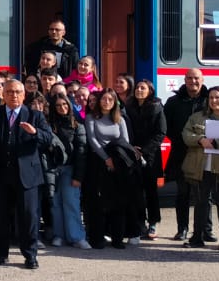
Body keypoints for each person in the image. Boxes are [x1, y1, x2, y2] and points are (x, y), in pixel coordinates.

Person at [0, 78, 55, 269]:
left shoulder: (34, 115)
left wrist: (35, 132)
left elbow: (48, 139)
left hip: (27, 175)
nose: (14, 95)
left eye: (18, 92)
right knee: (0, 216)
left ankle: (30, 255)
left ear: (24, 95)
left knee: (28, 216)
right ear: (3, 95)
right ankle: (0, 254)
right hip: (0, 174)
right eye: (10, 92)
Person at [181, 86, 219, 250]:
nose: (214, 101)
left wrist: (216, 143)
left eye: (218, 97)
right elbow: (186, 134)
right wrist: (200, 139)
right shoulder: (197, 117)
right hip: (200, 167)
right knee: (201, 202)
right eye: (211, 98)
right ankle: (197, 237)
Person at [83, 89, 141, 250]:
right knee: (99, 204)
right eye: (104, 99)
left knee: (119, 203)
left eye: (110, 99)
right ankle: (98, 238)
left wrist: (115, 161)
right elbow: (93, 140)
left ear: (115, 102)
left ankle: (118, 238)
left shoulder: (120, 119)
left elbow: (125, 141)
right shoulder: (91, 118)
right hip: (99, 163)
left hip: (118, 164)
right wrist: (106, 159)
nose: (107, 102)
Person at [163, 69, 210, 243]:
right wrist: (181, 140)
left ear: (202, 79)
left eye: (196, 78)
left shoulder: (209, 99)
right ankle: (182, 229)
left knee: (205, 194)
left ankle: (206, 230)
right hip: (181, 153)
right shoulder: (174, 102)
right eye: (189, 78)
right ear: (184, 80)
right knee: (183, 193)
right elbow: (165, 126)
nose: (193, 81)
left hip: (205, 153)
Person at [45, 92, 90, 251]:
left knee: (71, 203)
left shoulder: (78, 126)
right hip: (54, 169)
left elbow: (81, 153)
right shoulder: (49, 125)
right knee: (55, 203)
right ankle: (59, 235)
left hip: (71, 168)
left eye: (64, 105)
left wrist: (78, 176)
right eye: (58, 106)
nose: (62, 108)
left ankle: (76, 236)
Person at [125, 79, 167, 239]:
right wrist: (131, 148)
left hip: (151, 155)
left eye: (143, 88)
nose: (139, 90)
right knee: (136, 191)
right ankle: (139, 223)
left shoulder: (157, 107)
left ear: (150, 91)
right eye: (137, 88)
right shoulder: (129, 107)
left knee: (151, 191)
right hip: (132, 152)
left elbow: (160, 133)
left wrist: (145, 150)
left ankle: (153, 223)